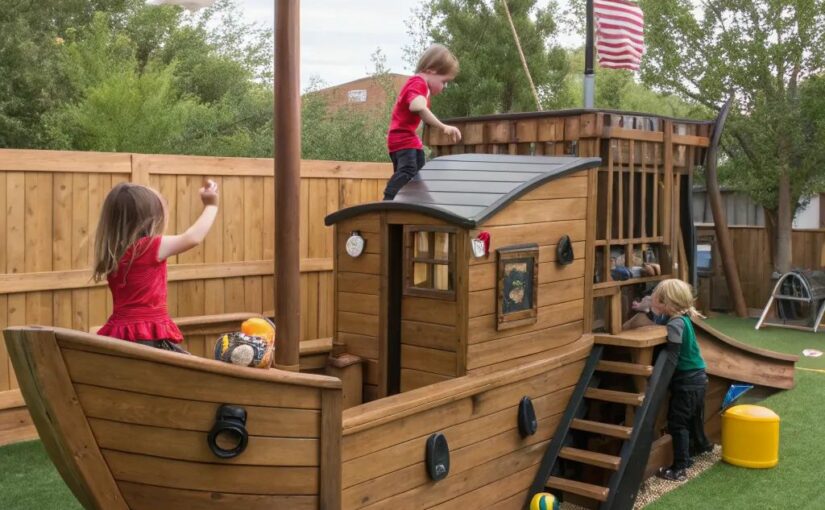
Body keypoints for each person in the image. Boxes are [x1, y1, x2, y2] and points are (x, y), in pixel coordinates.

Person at [92, 180, 219, 352]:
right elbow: (192, 238)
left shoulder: (114, 252)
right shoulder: (147, 247)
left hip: (120, 333)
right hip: (146, 337)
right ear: (150, 219)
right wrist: (211, 206)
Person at [651, 279, 714, 482]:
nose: (653, 301)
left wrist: (659, 382)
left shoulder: (675, 323)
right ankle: (696, 450)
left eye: (656, 299)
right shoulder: (683, 318)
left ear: (666, 302)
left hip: (687, 382)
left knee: (677, 424)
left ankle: (680, 468)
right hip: (698, 378)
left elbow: (672, 356)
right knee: (691, 419)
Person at [383, 44, 462, 200]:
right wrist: (443, 127)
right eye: (444, 81)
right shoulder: (418, 82)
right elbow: (417, 106)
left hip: (408, 139)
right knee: (409, 171)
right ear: (431, 71)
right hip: (402, 139)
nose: (444, 87)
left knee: (419, 173)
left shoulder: (420, 85)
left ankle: (422, 201)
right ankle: (390, 197)